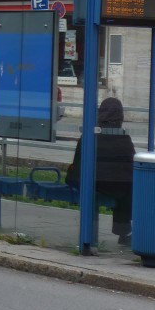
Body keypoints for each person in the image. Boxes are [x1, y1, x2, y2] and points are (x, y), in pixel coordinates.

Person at [66, 96, 135, 245]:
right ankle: (123, 231)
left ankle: (88, 237)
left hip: (92, 183)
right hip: (119, 187)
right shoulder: (124, 137)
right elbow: (131, 165)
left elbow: (78, 164)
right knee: (128, 189)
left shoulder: (90, 135)